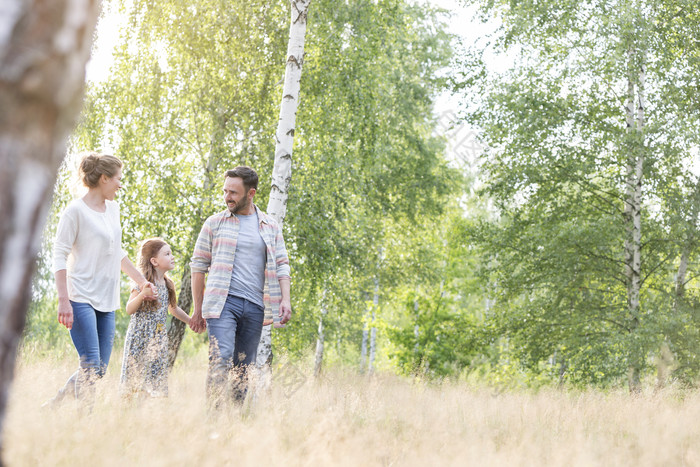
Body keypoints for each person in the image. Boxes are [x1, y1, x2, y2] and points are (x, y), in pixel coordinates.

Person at [47, 152, 154, 410]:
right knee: (91, 364)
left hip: (107, 299)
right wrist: (64, 301)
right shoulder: (74, 211)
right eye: (118, 178)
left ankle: (57, 402)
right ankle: (86, 421)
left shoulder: (113, 210)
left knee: (100, 369)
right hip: (79, 296)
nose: (120, 184)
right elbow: (59, 255)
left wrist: (141, 282)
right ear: (104, 178)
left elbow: (116, 251)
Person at [189, 166, 291, 407]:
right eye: (225, 191)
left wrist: (285, 300)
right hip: (222, 303)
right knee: (221, 357)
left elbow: (282, 264)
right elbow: (198, 266)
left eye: (233, 192)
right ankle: (213, 418)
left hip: (256, 306)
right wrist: (197, 308)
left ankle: (233, 420)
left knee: (243, 367)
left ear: (251, 193)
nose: (227, 197)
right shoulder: (214, 223)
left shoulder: (270, 226)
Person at [120, 238, 191, 398]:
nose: (172, 257)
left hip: (158, 340)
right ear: (154, 261)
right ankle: (127, 412)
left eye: (171, 253)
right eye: (167, 254)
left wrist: (191, 321)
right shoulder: (143, 283)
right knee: (133, 380)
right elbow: (129, 308)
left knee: (154, 382)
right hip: (139, 338)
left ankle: (150, 411)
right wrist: (142, 296)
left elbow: (173, 309)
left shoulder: (168, 284)